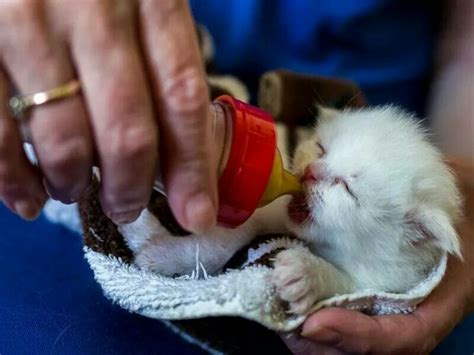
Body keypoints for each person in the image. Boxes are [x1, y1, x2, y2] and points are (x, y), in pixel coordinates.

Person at [0, 1, 472, 353]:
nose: (308, 169)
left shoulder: (409, 237)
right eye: (321, 148)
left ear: (414, 234)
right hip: (92, 91)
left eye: (344, 188)